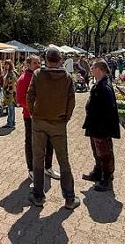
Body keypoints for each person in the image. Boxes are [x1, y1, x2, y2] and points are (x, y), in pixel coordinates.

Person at [26, 47, 78, 210]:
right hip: (58, 123)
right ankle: (69, 198)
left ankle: (38, 196)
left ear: (46, 60)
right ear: (60, 60)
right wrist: (66, 117)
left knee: (38, 159)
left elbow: (30, 96)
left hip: (40, 122)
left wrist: (34, 114)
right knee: (63, 160)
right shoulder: (67, 77)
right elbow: (72, 100)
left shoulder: (38, 74)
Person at [16, 55, 58, 188]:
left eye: (39, 62)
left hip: (46, 116)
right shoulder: (23, 79)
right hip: (31, 117)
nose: (38, 65)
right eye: (35, 63)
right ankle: (32, 170)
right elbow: (20, 99)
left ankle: (48, 167)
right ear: (28, 64)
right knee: (31, 143)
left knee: (49, 142)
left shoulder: (42, 76)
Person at [82, 59, 120, 192]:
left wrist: (102, 124)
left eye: (93, 68)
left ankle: (107, 178)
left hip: (101, 126)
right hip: (94, 125)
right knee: (97, 151)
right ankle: (98, 172)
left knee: (104, 153)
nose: (91, 70)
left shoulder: (104, 86)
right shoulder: (100, 83)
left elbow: (109, 109)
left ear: (99, 69)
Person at [3, 59, 18, 128]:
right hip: (11, 92)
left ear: (10, 65)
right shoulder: (10, 72)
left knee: (11, 108)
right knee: (11, 108)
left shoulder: (10, 73)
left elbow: (11, 83)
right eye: (5, 64)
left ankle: (10, 122)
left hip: (10, 92)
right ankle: (12, 121)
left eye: (7, 64)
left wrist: (8, 91)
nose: (6, 66)